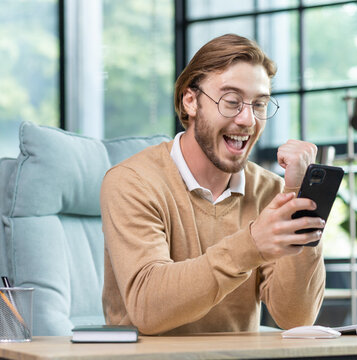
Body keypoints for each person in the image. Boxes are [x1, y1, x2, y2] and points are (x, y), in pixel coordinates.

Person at [100, 33, 326, 335]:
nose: (248, 119)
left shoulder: (271, 191)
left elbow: (296, 318)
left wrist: (301, 201)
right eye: (232, 102)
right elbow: (148, 307)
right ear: (191, 101)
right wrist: (252, 243)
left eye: (259, 105)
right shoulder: (133, 182)